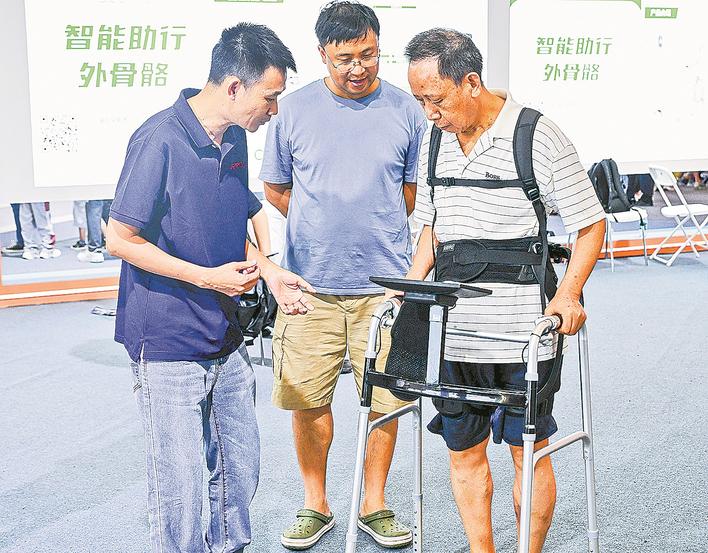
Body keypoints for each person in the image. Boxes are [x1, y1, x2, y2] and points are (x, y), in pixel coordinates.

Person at [105, 24, 312, 553]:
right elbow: (120, 238)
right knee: (179, 487)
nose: (274, 110)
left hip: (224, 332)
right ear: (235, 87)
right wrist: (206, 277)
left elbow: (227, 224)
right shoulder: (159, 138)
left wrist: (269, 270)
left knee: (241, 468)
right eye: (270, 97)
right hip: (167, 338)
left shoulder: (235, 137)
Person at [398, 29, 606, 553]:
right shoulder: (435, 140)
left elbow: (590, 223)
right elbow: (431, 228)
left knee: (526, 451)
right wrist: (410, 288)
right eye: (420, 100)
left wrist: (568, 295)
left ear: (471, 82)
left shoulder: (537, 135)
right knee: (463, 450)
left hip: (523, 331)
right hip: (455, 332)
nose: (429, 113)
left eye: (436, 99)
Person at [260, 1, 426, 549]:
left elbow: (411, 193)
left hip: (387, 287)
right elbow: (276, 188)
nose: (358, 68)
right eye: (345, 59)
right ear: (322, 55)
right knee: (308, 399)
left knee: (387, 401)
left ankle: (374, 503)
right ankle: (316, 504)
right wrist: (321, 222)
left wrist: (371, 224)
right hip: (309, 286)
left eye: (369, 55)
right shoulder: (291, 110)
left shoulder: (407, 109)